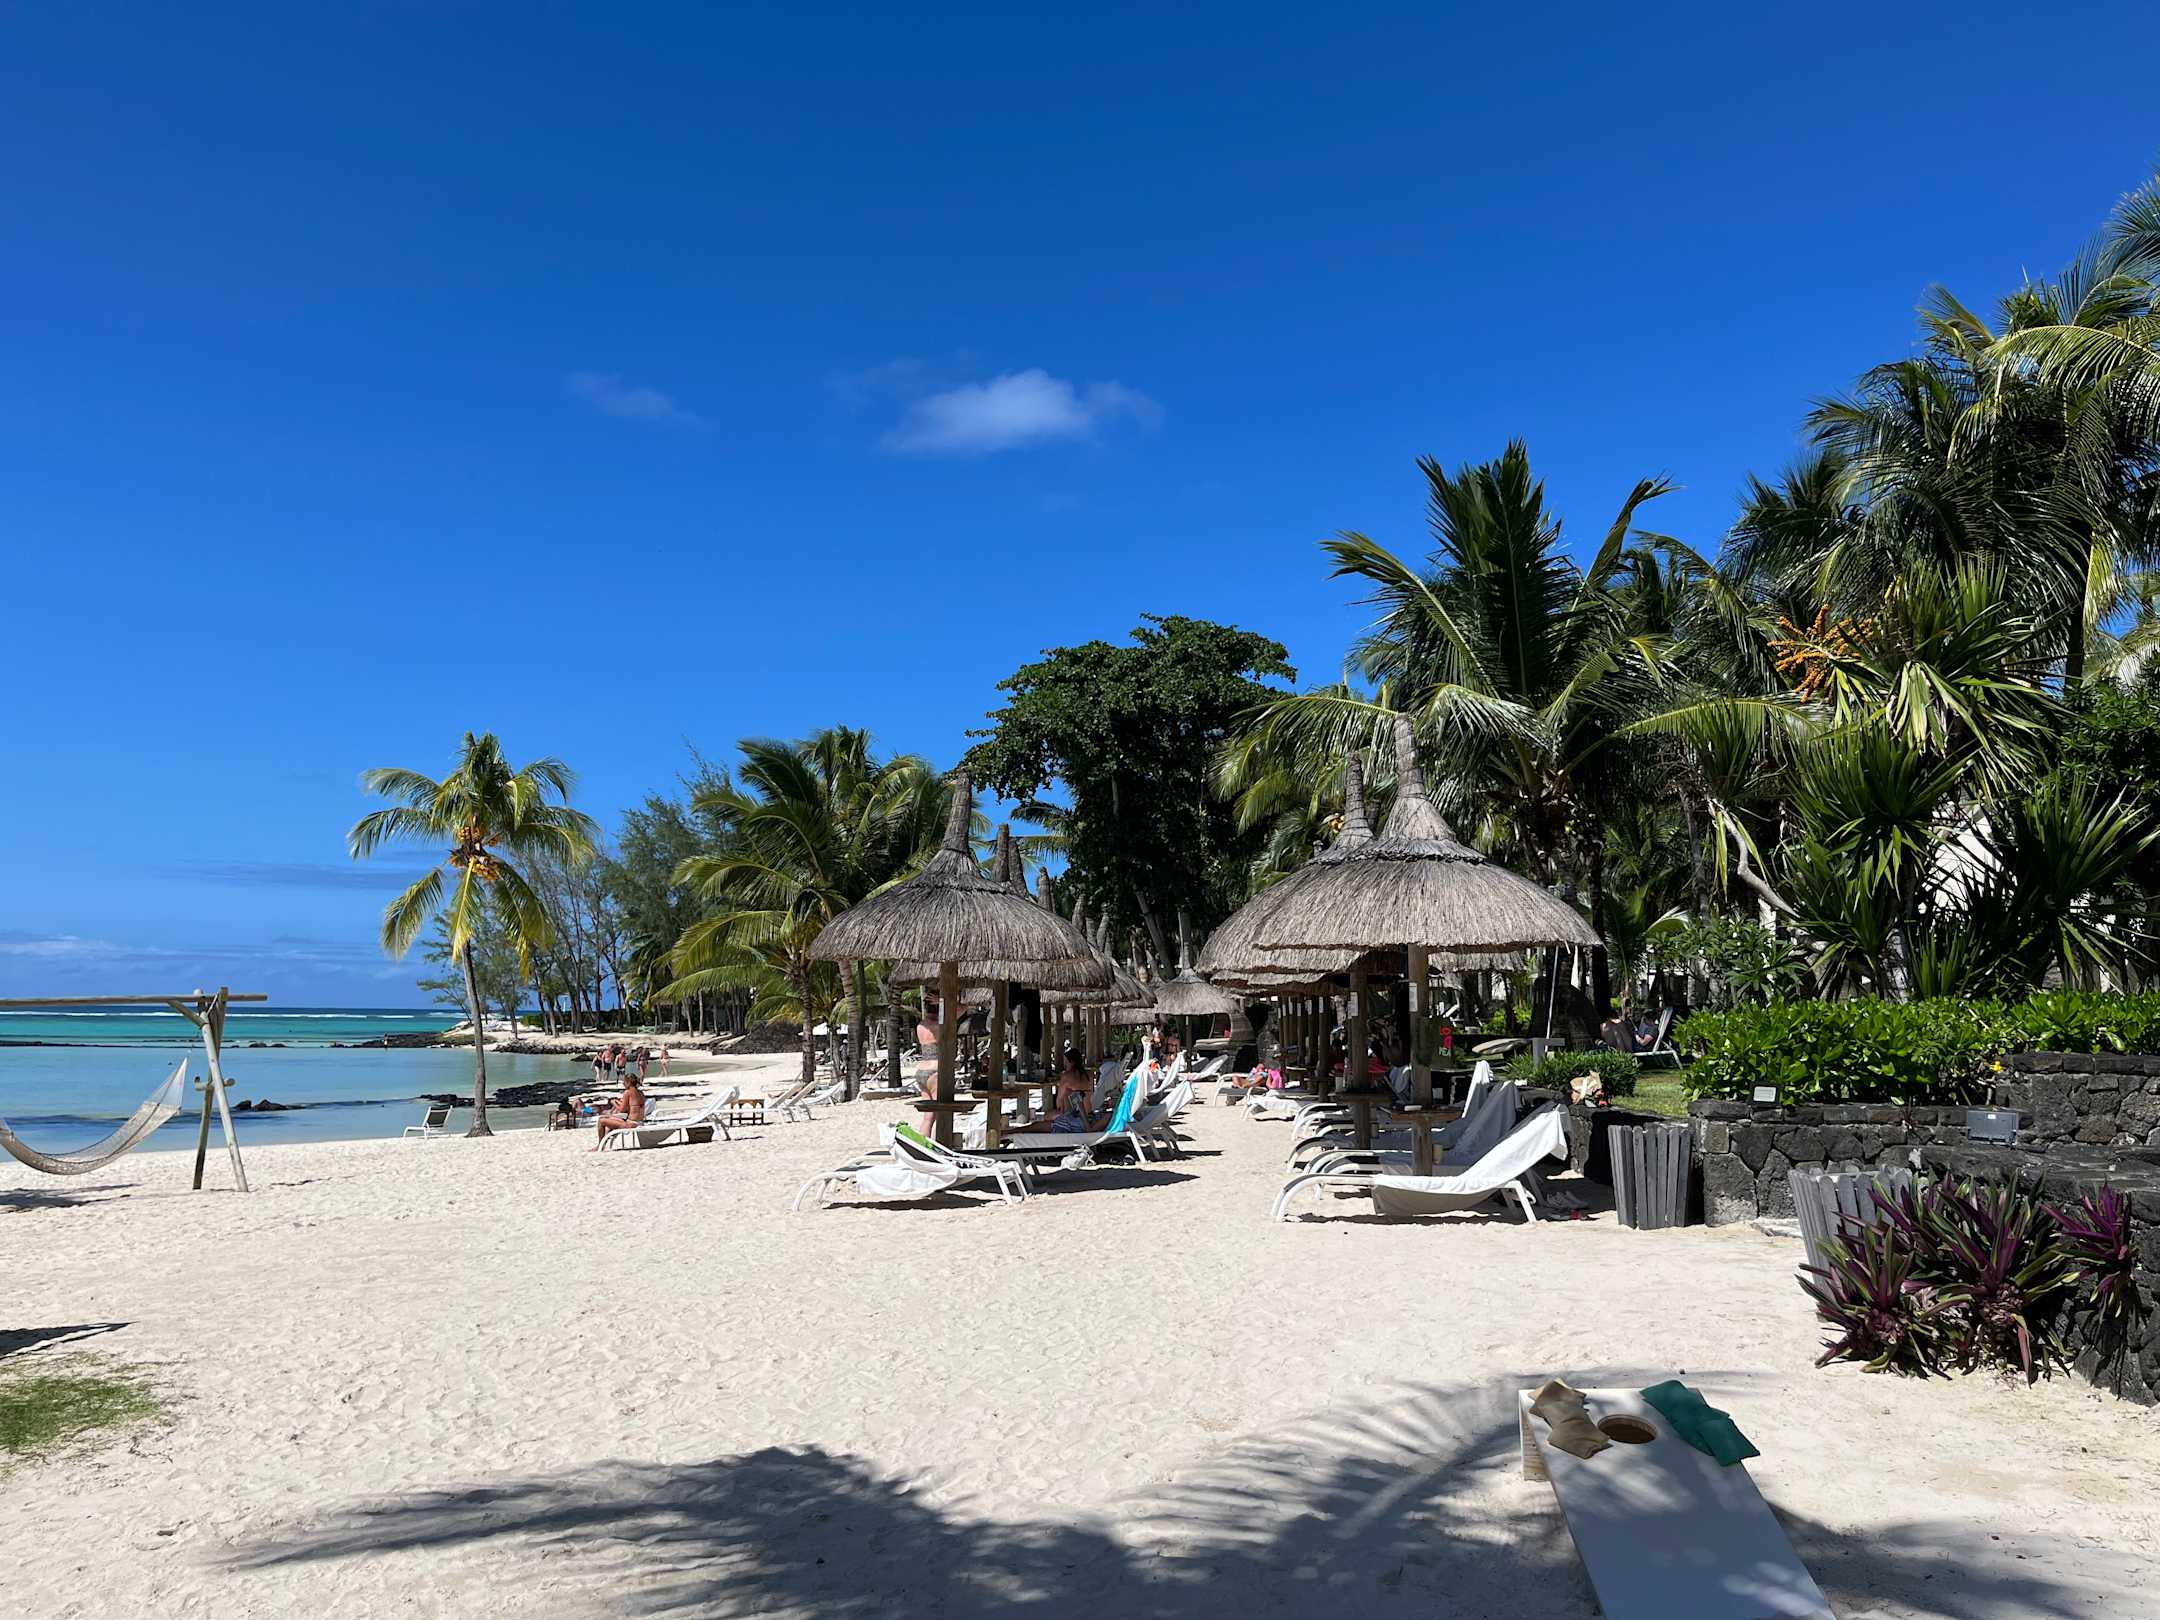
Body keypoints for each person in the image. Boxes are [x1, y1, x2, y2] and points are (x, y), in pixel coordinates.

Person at [591, 1069, 647, 1148]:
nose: (623, 1084)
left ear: (628, 1082)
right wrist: (619, 1102)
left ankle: (600, 1145)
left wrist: (613, 1102)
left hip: (631, 1124)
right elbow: (632, 1107)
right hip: (640, 1122)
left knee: (601, 1120)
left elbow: (621, 1110)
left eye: (624, 1082)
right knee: (609, 1119)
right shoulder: (641, 1093)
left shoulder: (628, 1092)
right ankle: (603, 1143)